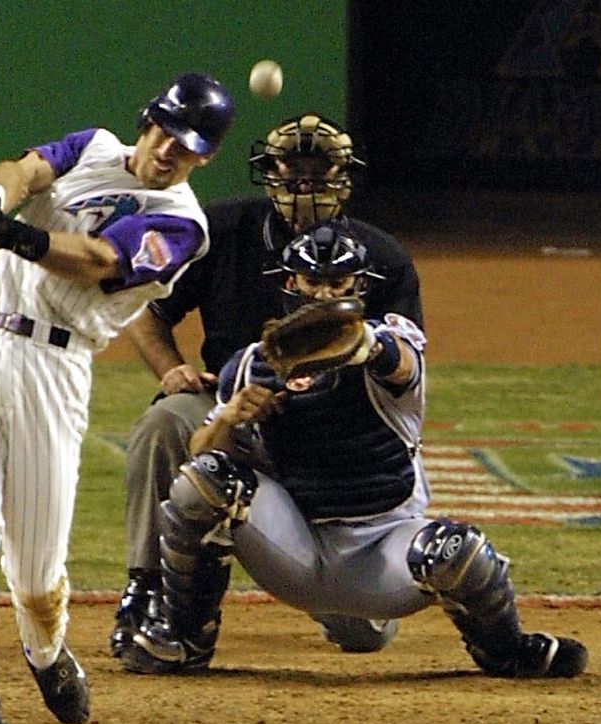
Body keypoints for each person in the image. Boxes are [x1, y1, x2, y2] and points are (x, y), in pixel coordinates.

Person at [129, 220, 589, 680]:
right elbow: (199, 452)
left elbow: (400, 362)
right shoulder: (252, 363)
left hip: (381, 551)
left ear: (360, 287)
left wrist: (362, 343)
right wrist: (231, 418)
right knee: (207, 479)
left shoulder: (388, 345)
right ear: (291, 284)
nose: (324, 295)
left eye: (337, 284)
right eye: (313, 282)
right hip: (293, 548)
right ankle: (183, 637)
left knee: (457, 551)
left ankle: (507, 650)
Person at [0, 72, 234, 724]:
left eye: (186, 149)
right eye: (163, 133)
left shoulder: (184, 226)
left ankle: (47, 651)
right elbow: (25, 169)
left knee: (35, 575)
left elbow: (99, 262)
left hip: (53, 369)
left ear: (203, 158)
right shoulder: (92, 146)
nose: (167, 153)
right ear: (147, 119)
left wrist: (18, 237)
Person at [112, 112, 425, 671]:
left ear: (343, 175)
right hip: (232, 405)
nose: (305, 183)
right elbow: (144, 307)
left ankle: (339, 577)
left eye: (319, 169)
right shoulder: (222, 231)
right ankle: (152, 592)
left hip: (333, 426)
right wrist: (171, 370)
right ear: (268, 172)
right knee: (166, 424)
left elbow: (403, 363)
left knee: (364, 636)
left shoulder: (382, 256)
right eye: (292, 168)